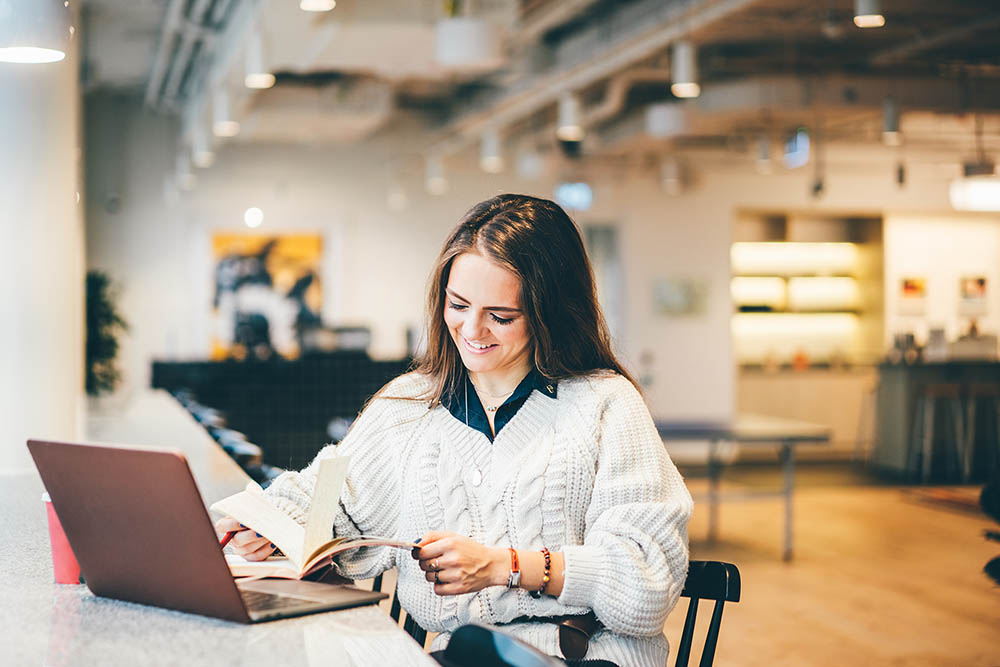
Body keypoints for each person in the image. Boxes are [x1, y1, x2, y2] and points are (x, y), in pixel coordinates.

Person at [215, 194, 693, 666]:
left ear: (550, 316)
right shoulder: (408, 406)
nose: (471, 330)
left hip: (585, 656)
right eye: (458, 305)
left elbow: (645, 587)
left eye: (501, 316)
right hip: (464, 656)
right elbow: (328, 501)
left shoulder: (606, 406)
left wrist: (504, 566)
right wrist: (268, 525)